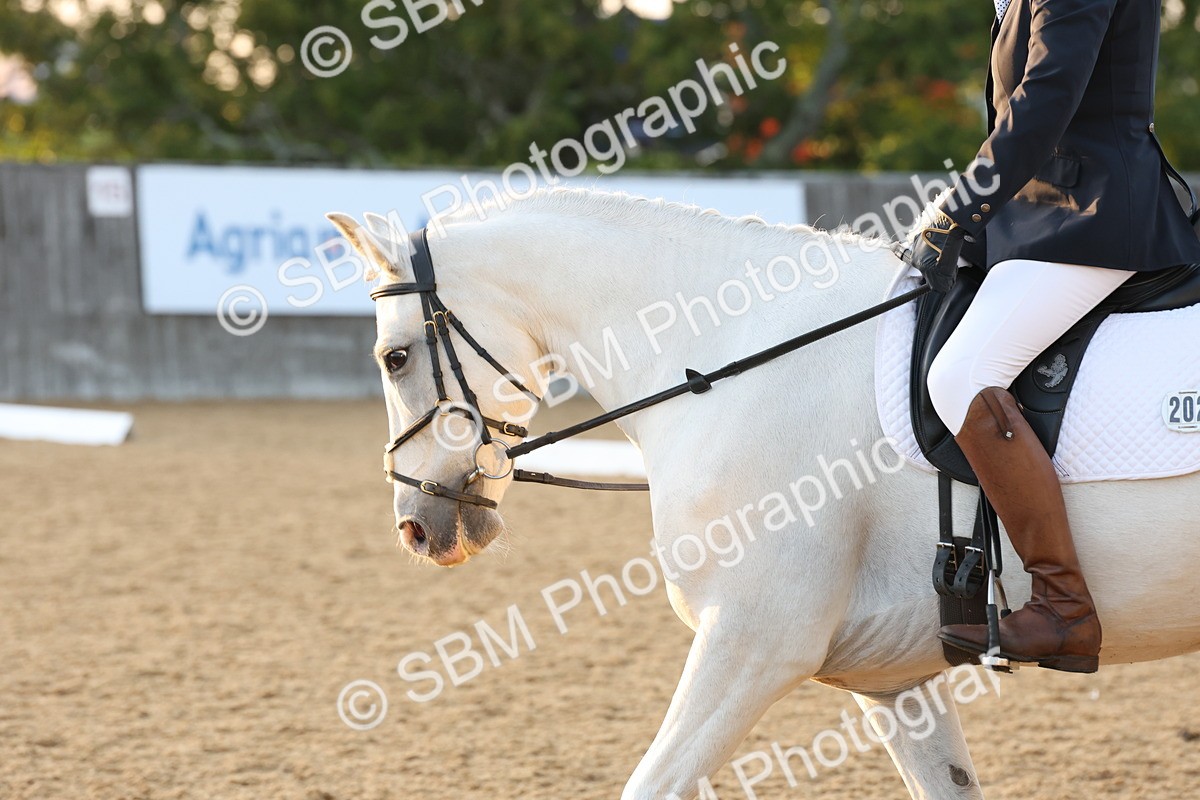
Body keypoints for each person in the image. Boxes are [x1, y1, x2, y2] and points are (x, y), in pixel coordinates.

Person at [904, 0, 1200, 674]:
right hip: (1039, 217)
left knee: (962, 376)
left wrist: (957, 211)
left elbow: (1046, 98)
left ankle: (1064, 605)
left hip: (1092, 214)